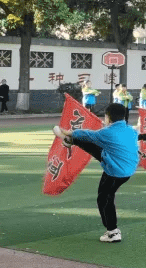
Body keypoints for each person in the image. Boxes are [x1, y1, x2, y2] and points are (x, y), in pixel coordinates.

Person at [54, 102, 138, 243]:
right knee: (97, 151)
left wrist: (70, 132)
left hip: (115, 171)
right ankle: (70, 141)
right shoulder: (131, 130)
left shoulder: (107, 133)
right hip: (127, 169)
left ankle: (112, 231)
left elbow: (88, 135)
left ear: (108, 117)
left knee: (105, 198)